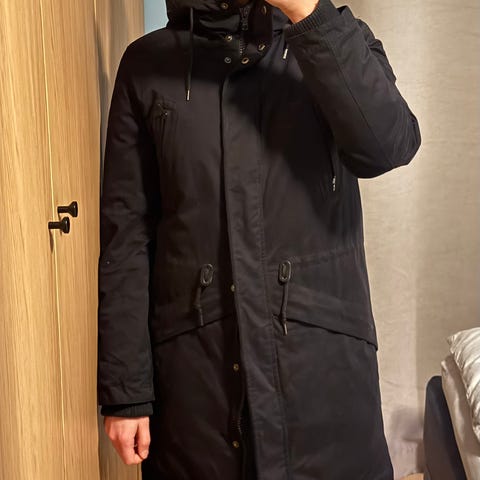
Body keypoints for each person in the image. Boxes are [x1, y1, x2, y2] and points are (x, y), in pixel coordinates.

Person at [97, 0, 421, 478]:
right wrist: (126, 391)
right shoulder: (148, 65)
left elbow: (388, 145)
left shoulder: (335, 36)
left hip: (324, 381)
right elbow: (126, 233)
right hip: (198, 389)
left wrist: (307, 13)